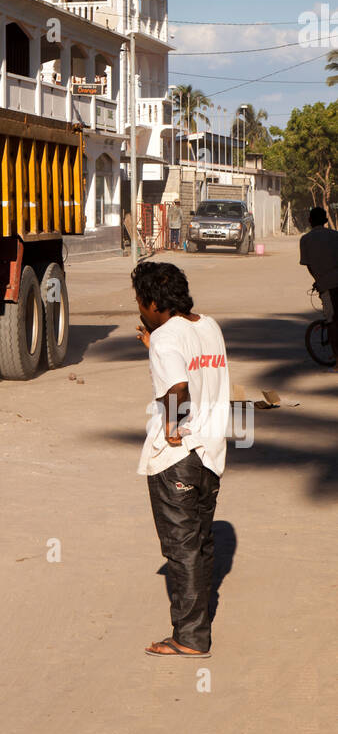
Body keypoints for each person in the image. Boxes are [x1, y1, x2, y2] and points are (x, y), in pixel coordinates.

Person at [132, 260, 230, 658]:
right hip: (210, 452)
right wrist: (154, 346)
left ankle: (190, 636)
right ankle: (197, 624)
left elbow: (177, 386)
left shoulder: (165, 339)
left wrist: (172, 426)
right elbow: (193, 367)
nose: (138, 308)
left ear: (154, 302)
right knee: (201, 543)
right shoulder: (207, 326)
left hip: (178, 458)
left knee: (181, 548)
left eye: (140, 300)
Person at [299, 206, 338, 369]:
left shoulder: (305, 240)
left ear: (310, 221)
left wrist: (318, 279)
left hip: (326, 285)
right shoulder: (335, 236)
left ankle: (337, 358)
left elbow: (308, 265)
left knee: (332, 322)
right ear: (325, 220)